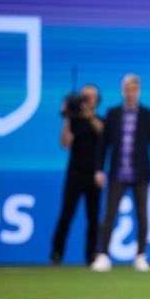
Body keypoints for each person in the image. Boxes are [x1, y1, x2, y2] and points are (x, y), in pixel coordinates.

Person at [91, 73, 150, 272]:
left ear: (138, 91)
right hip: (118, 172)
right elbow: (103, 145)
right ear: (122, 91)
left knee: (142, 215)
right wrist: (99, 169)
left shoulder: (148, 115)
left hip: (141, 173)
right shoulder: (113, 113)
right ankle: (103, 255)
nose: (130, 93)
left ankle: (141, 255)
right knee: (110, 214)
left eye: (133, 89)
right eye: (127, 89)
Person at [51, 84, 104, 266]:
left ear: (97, 100)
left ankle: (91, 256)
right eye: (84, 97)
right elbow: (65, 143)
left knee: (93, 217)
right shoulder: (73, 122)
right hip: (74, 174)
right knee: (66, 215)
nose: (88, 100)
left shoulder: (100, 120)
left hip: (95, 174)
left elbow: (103, 134)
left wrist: (90, 116)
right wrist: (67, 117)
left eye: (91, 97)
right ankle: (56, 254)